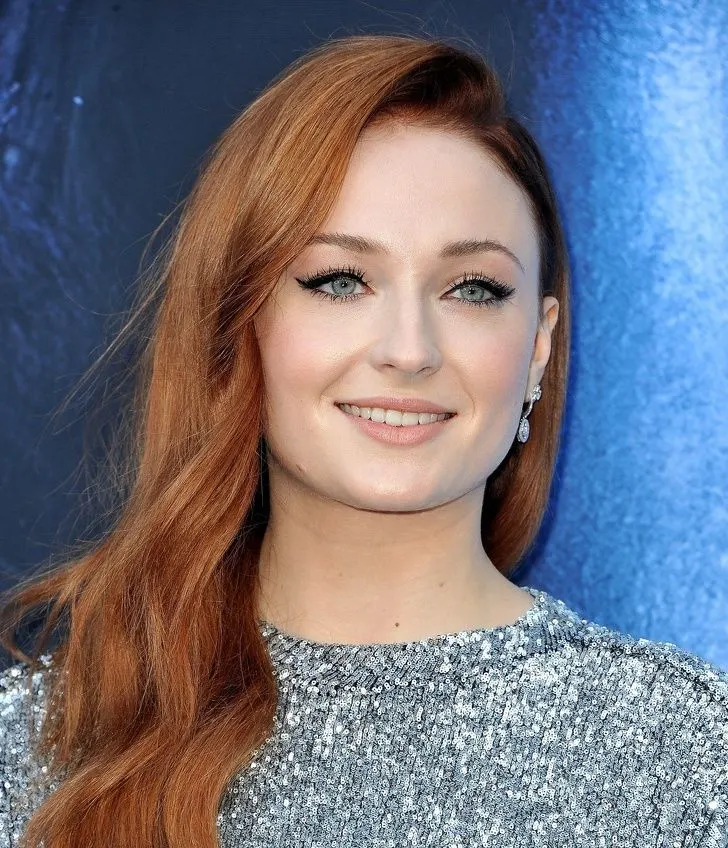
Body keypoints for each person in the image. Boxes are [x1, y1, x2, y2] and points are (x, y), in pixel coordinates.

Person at [0, 32, 725, 848]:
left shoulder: (685, 757)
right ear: (238, 324)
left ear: (539, 347)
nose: (409, 351)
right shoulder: (44, 748)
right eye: (340, 281)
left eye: (472, 289)